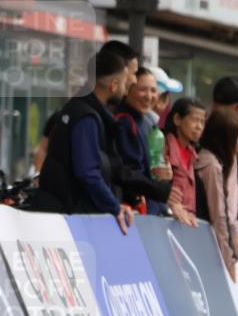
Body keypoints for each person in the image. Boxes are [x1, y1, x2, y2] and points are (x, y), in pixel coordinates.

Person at [37, 50, 135, 234]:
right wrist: (114, 206)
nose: (125, 89)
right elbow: (88, 172)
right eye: (123, 83)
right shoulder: (86, 117)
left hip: (58, 210)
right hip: (67, 218)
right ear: (113, 85)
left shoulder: (75, 107)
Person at [195, 107, 238, 282]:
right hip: (214, 242)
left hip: (226, 238)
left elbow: (234, 191)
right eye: (237, 136)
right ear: (226, 137)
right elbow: (219, 214)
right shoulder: (211, 165)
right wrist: (229, 257)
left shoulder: (227, 159)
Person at [114, 67, 172, 216]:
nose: (149, 96)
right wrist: (159, 189)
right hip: (128, 209)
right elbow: (129, 172)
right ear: (128, 90)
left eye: (153, 91)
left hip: (149, 206)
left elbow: (150, 168)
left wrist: (164, 174)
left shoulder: (147, 122)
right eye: (143, 90)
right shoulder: (123, 121)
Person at [164, 98, 205, 227]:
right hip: (168, 221)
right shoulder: (164, 147)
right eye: (194, 120)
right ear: (177, 119)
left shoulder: (193, 154)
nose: (199, 127)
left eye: (202, 122)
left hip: (186, 223)